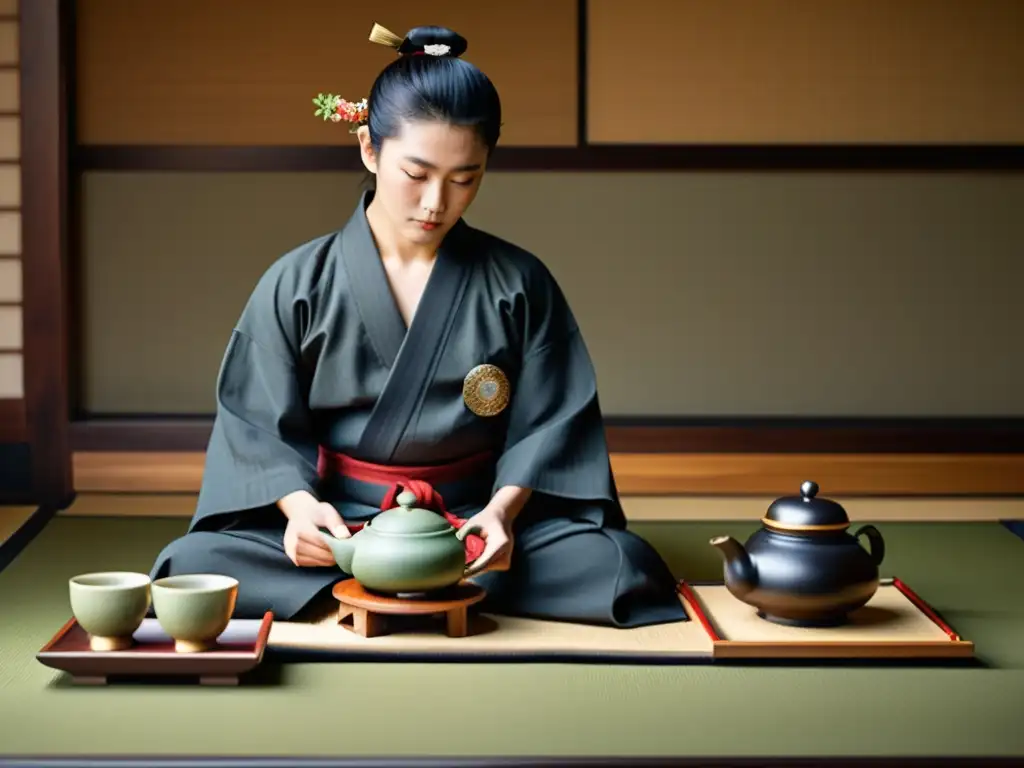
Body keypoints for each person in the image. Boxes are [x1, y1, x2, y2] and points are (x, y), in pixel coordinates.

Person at [148, 22, 688, 629]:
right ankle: (388, 578)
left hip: (470, 527)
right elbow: (255, 426)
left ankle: (385, 587)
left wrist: (504, 514)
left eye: (465, 179)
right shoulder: (298, 281)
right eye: (416, 173)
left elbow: (553, 423)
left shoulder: (519, 282)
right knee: (192, 564)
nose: (437, 203)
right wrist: (300, 512)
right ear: (369, 149)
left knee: (621, 565)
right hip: (341, 525)